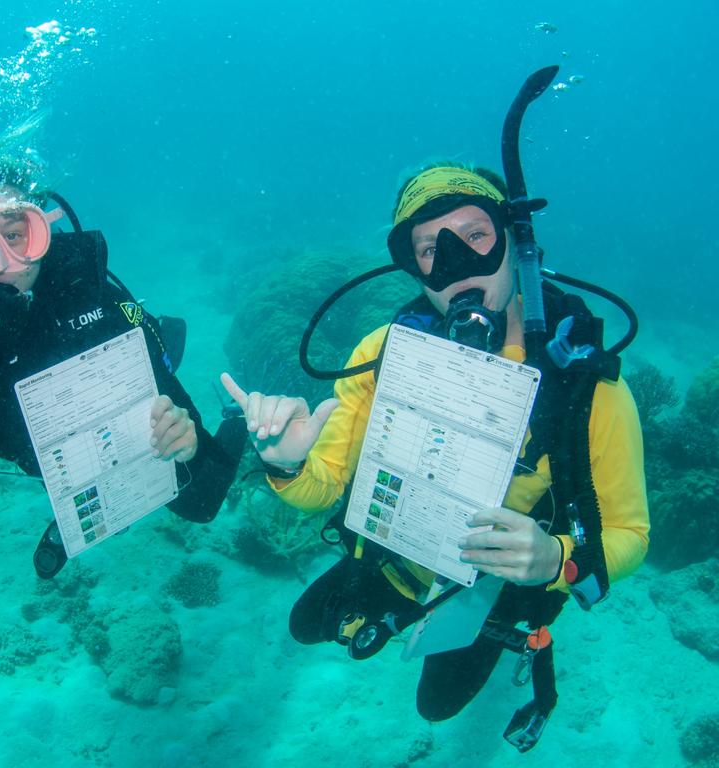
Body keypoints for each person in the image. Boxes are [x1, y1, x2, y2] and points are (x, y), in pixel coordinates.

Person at [221, 162, 649, 746]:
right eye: (429, 249)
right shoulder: (383, 353)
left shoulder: (588, 388)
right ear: (414, 267)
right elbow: (318, 488)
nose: (453, 265)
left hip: (491, 591)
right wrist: (287, 460)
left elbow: (630, 531)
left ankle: (500, 645)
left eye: (475, 236)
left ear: (515, 242)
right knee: (304, 627)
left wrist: (556, 559)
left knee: (436, 707)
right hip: (400, 555)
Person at [0, 146, 245, 577]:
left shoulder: (95, 306)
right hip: (33, 455)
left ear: (41, 234)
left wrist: (191, 443)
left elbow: (206, 481)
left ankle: (232, 412)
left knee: (200, 506)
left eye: (14, 236)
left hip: (109, 429)